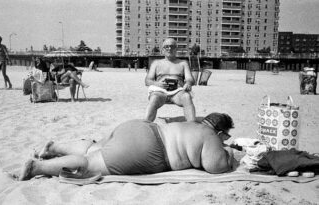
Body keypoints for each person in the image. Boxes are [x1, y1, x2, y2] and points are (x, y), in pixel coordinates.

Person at [19, 113, 235, 181]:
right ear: (219, 131)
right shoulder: (210, 136)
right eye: (226, 135)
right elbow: (216, 166)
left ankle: (54, 147)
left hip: (140, 128)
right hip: (151, 148)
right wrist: (230, 153)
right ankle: (37, 168)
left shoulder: (192, 125)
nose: (226, 139)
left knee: (94, 148)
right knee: (89, 164)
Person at [145, 38, 196, 122]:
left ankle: (192, 124)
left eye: (172, 46)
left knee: (187, 96)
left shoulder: (183, 63)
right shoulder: (156, 63)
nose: (169, 48)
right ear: (162, 49)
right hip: (160, 92)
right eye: (166, 47)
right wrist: (157, 84)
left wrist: (188, 83)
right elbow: (147, 81)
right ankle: (146, 124)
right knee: (153, 98)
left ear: (176, 49)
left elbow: (190, 79)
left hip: (177, 92)